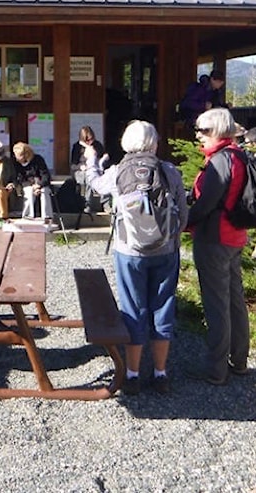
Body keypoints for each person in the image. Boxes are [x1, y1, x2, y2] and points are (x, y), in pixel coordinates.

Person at [82, 120, 189, 395]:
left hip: (129, 251)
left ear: (125, 143)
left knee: (133, 308)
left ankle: (131, 375)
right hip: (165, 250)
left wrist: (92, 159)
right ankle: (160, 373)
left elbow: (94, 185)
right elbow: (183, 215)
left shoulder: (118, 172)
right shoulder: (169, 171)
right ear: (154, 143)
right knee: (163, 307)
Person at [185, 107, 250, 385]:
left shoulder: (219, 162)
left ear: (219, 132)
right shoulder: (238, 156)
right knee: (235, 300)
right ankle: (239, 360)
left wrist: (183, 221)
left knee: (216, 305)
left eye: (204, 131)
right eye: (198, 130)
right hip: (236, 236)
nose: (199, 136)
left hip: (214, 238)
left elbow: (206, 204)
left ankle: (216, 369)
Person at [12, 141, 54, 228]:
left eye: (18, 155)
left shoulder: (38, 160)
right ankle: (28, 216)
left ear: (25, 154)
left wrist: (39, 185)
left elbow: (45, 175)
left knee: (44, 191)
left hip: (41, 183)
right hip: (27, 184)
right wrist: (32, 186)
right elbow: (20, 179)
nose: (16, 158)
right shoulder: (16, 164)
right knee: (28, 191)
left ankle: (47, 217)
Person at [70, 126, 106, 212]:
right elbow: (73, 165)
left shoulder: (97, 145)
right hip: (81, 171)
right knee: (88, 178)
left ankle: (106, 204)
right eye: (87, 140)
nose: (89, 142)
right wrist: (80, 166)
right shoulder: (77, 147)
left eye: (91, 140)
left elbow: (103, 157)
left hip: (96, 169)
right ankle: (87, 204)